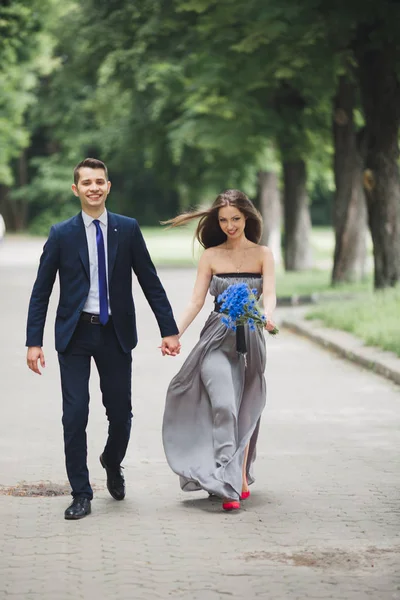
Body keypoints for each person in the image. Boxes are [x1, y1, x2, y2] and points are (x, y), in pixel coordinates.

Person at [26, 157, 180, 520]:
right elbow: (41, 292)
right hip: (75, 334)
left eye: (100, 181)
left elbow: (150, 281)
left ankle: (112, 461)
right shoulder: (61, 234)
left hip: (115, 333)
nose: (94, 187)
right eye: (86, 182)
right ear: (75, 188)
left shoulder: (126, 230)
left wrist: (168, 329)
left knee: (121, 414)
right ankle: (81, 492)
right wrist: (34, 341)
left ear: (108, 186)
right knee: (75, 414)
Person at [162, 189, 276, 511]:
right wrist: (174, 333)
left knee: (247, 407)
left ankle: (238, 473)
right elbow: (196, 301)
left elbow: (269, 294)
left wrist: (267, 315)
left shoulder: (263, 254)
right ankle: (226, 483)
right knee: (224, 405)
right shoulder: (211, 255)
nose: (229, 226)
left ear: (247, 218)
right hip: (216, 339)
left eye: (235, 219)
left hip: (251, 340)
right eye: (223, 220)